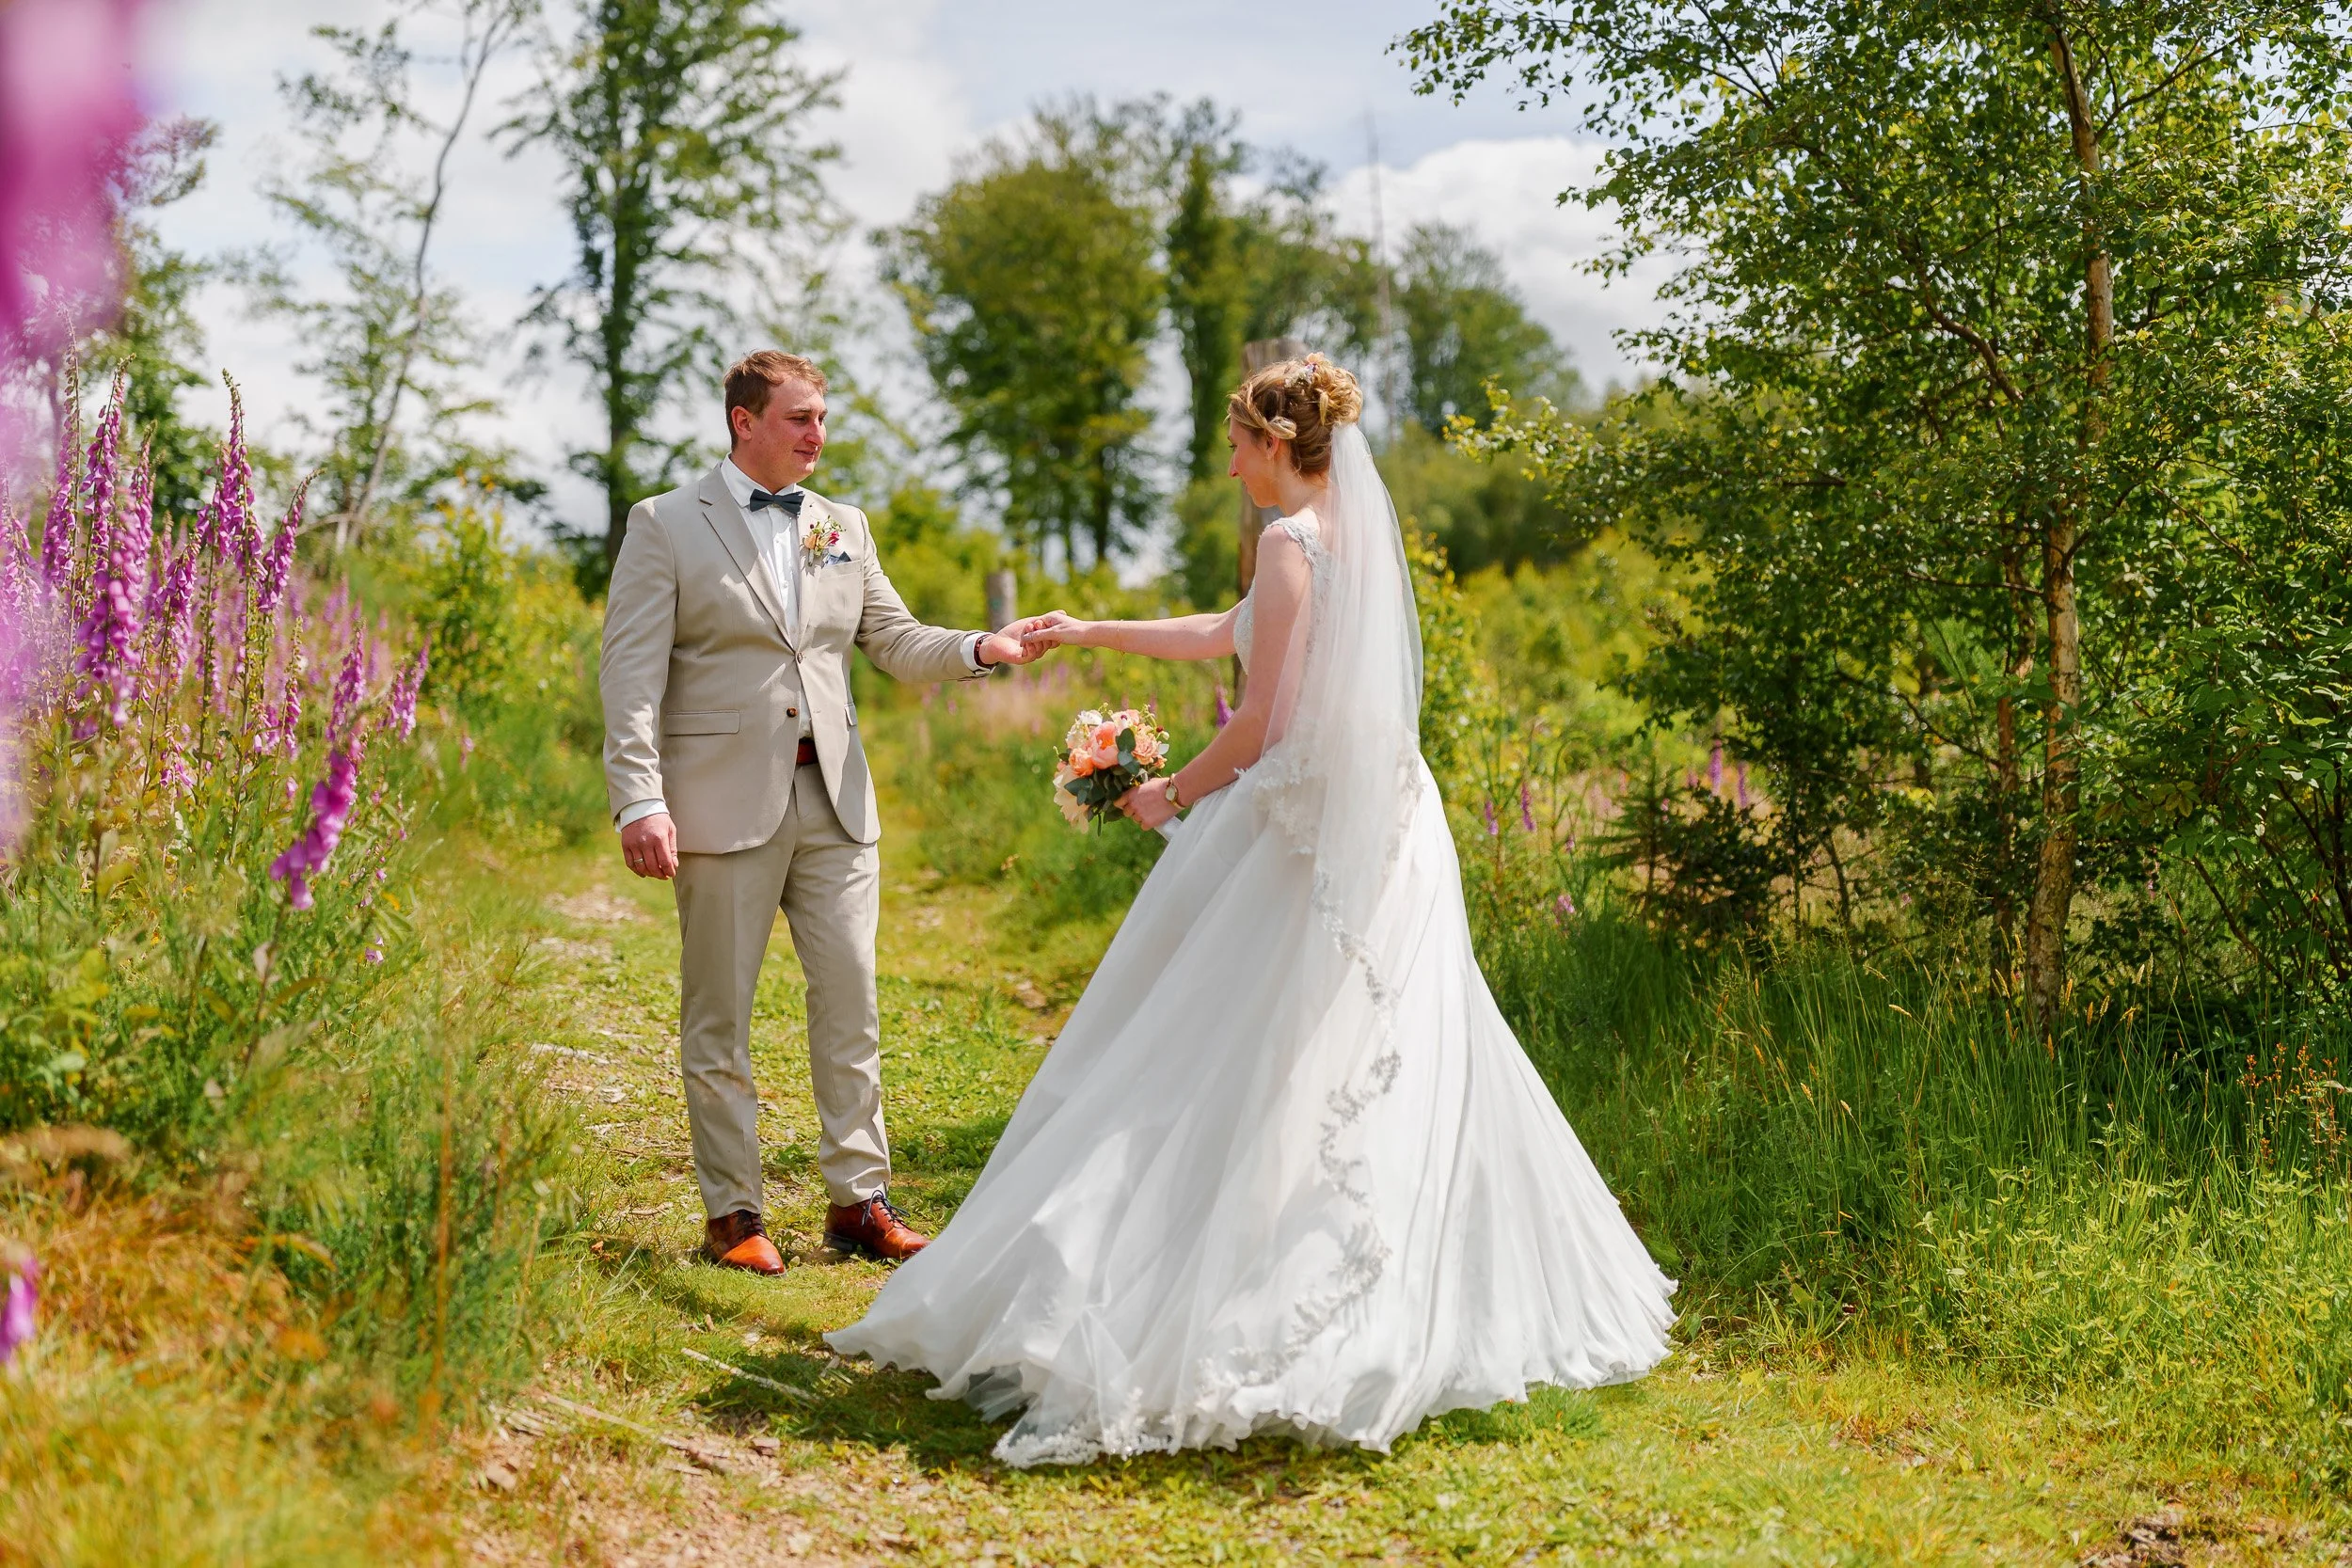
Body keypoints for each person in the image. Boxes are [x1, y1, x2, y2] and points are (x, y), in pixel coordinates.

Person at [827, 355, 1676, 1465]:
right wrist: (1088, 630)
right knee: (1375, 1048)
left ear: (1275, 442)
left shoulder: (1289, 541)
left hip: (1308, 835)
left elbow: (1264, 719)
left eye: (1235, 445)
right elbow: (1220, 634)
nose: (1230, 465)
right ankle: (1388, 1280)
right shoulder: (1351, 535)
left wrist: (1167, 794)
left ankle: (1233, 1291)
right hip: (1394, 827)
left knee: (1215, 1051)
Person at [599, 350, 1046, 1274]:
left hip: (837, 800)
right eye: (799, 417)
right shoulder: (666, 524)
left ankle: (858, 1200)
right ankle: (733, 1212)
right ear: (743, 420)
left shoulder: (837, 526)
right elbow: (631, 674)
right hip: (720, 805)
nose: (817, 433)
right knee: (717, 1015)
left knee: (851, 1002)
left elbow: (891, 637)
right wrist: (639, 794)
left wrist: (981, 646)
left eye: (821, 417)